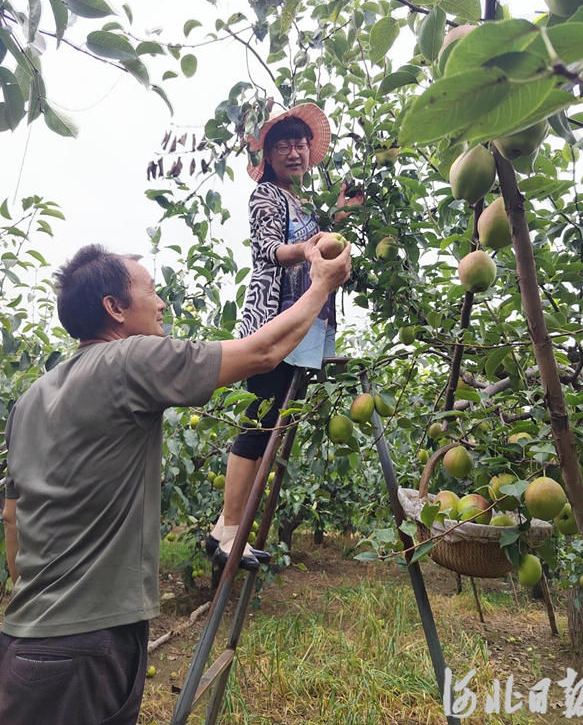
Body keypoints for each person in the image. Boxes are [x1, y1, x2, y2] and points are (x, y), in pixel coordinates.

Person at [0, 240, 350, 725]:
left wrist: (39, 605)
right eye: (150, 290)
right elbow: (264, 351)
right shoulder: (130, 360)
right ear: (115, 309)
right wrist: (320, 287)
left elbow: (12, 517)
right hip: (84, 646)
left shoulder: (30, 401)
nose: (162, 302)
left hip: (28, 638)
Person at [207, 103, 364, 571]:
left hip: (305, 323)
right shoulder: (265, 198)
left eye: (300, 144)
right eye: (283, 146)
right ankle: (227, 528)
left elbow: (317, 240)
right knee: (259, 423)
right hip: (274, 320)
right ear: (269, 157)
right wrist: (312, 246)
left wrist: (337, 212)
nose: (294, 152)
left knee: (274, 421)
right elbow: (270, 251)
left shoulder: (304, 203)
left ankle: (234, 528)